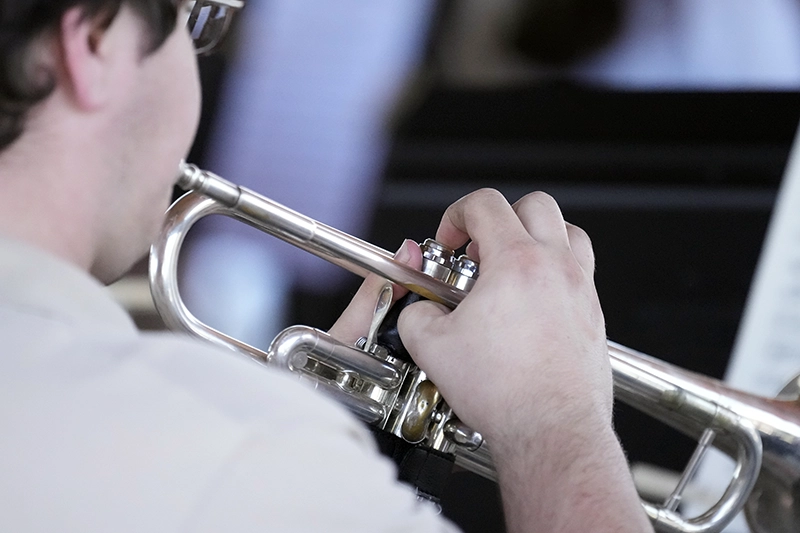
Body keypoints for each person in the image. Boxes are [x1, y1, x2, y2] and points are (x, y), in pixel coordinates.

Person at [0, 1, 652, 532]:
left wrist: (318, 441)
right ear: (95, 41)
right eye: (198, 22)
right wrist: (557, 419)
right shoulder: (236, 453)